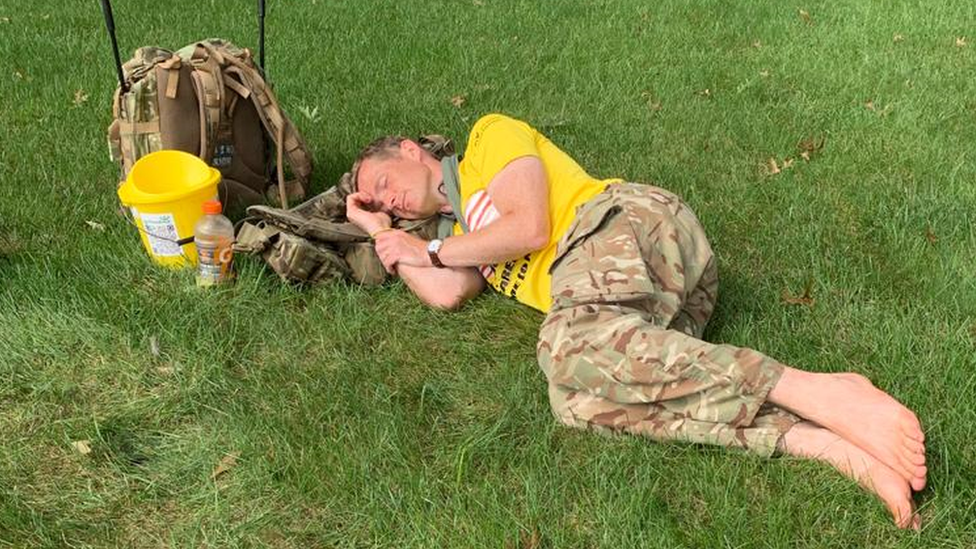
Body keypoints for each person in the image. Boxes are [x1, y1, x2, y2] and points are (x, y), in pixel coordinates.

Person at [344, 113, 927, 529]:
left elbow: (531, 229)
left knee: (564, 348)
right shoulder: (454, 239)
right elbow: (445, 295)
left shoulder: (487, 141)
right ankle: (817, 441)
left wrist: (433, 251)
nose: (388, 200)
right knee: (574, 403)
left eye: (384, 184)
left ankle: (811, 388)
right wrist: (380, 234)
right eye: (380, 201)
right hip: (642, 314)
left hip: (629, 227)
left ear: (411, 150)